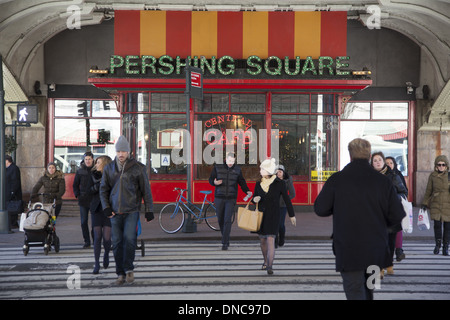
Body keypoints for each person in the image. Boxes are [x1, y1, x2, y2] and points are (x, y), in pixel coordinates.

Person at [314, 138, 405, 300]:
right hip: (376, 250)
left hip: (348, 249)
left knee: (354, 291)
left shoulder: (337, 180)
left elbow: (320, 209)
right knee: (370, 290)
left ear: (350, 156)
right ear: (369, 155)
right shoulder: (383, 182)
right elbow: (397, 215)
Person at [100, 136, 154, 285]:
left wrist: (149, 210)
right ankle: (120, 273)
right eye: (118, 151)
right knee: (116, 242)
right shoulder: (109, 168)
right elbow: (103, 190)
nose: (121, 154)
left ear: (129, 151)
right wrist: (106, 207)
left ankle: (129, 268)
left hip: (132, 210)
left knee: (130, 240)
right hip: (114, 212)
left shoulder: (138, 167)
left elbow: (146, 190)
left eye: (123, 151)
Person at [252, 158, 296, 275]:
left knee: (271, 239)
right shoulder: (258, 183)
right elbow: (254, 197)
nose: (260, 170)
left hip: (273, 215)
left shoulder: (279, 183)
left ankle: (270, 266)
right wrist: (254, 199)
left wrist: (292, 215)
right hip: (261, 216)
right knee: (262, 240)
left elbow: (287, 199)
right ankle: (265, 261)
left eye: (262, 168)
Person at [371, 152, 408, 277]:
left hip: (391, 214)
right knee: (377, 242)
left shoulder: (393, 176)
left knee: (390, 241)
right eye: (374, 160)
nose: (377, 162)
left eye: (379, 160)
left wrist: (392, 199)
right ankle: (379, 267)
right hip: (375, 215)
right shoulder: (368, 177)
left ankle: (389, 263)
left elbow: (403, 192)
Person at [209, 152, 252, 250]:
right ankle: (225, 236)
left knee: (227, 220)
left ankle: (225, 242)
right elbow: (211, 179)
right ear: (226, 159)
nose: (230, 163)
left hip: (231, 198)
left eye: (233, 161)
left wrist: (247, 190)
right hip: (219, 197)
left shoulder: (237, 169)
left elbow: (241, 181)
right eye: (229, 160)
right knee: (220, 219)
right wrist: (214, 182)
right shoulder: (218, 167)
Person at [422, 155, 450, 256]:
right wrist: (424, 203)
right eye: (439, 164)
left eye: (443, 165)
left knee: (447, 227)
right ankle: (437, 245)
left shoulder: (449, 175)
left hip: (448, 204)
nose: (441, 166)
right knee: (437, 226)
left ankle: (446, 247)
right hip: (436, 203)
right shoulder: (432, 176)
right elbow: (428, 190)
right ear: (436, 166)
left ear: (447, 166)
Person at [90, 155, 112, 274]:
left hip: (108, 209)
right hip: (96, 209)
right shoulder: (93, 175)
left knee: (107, 238)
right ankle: (97, 263)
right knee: (97, 236)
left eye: (98, 162)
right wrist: (98, 186)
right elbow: (89, 190)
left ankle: (107, 254)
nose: (96, 164)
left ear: (104, 164)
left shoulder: (111, 176)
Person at [386, 156, 408, 261]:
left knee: (397, 229)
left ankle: (399, 250)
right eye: (387, 163)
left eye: (391, 163)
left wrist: (396, 198)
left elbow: (404, 192)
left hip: (395, 207)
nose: (389, 164)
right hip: (382, 209)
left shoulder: (397, 175)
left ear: (394, 164)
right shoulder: (379, 176)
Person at [73, 151, 95, 248]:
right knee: (83, 221)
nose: (88, 161)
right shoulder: (80, 171)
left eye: (89, 159)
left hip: (94, 199)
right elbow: (75, 185)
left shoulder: (96, 170)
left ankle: (96, 240)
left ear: (92, 159)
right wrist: (77, 194)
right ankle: (87, 241)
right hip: (83, 199)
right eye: (86, 159)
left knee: (95, 222)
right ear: (84, 160)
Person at [275, 164, 296, 248]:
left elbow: (292, 194)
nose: (278, 173)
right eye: (277, 172)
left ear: (283, 172)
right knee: (274, 224)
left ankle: (281, 239)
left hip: (282, 206)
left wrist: (284, 200)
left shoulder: (287, 181)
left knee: (280, 224)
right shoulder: (273, 180)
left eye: (280, 172)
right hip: (273, 205)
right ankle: (275, 241)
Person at [5, 155, 22, 230]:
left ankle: (13, 223)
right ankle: (11, 223)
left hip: (13, 193)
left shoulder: (14, 168)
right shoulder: (7, 169)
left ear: (7, 161)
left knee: (13, 207)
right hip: (8, 192)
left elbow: (15, 181)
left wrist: (12, 192)